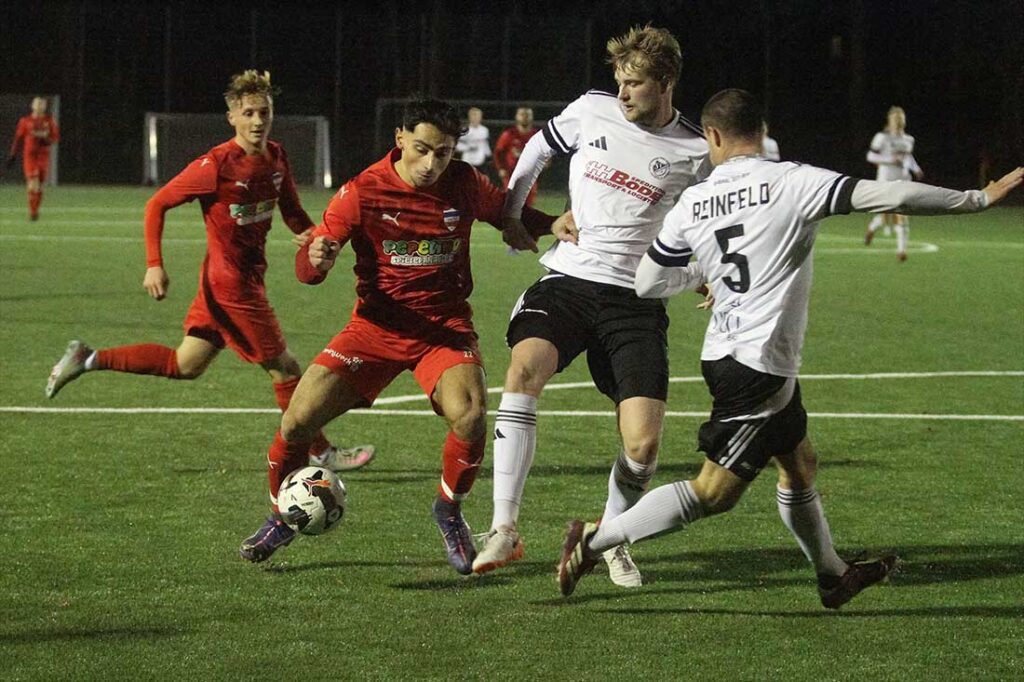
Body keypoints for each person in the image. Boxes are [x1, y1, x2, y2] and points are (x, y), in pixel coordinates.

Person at [557, 88, 1023, 606]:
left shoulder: (695, 200)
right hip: (757, 364)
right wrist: (976, 198)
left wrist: (701, 274)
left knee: (799, 465)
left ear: (712, 135)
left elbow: (647, 283)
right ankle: (595, 541)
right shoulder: (794, 181)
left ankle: (832, 574)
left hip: (729, 353)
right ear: (761, 131)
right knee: (712, 493)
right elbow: (890, 195)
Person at [237, 97, 559, 573]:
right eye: (422, 149)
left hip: (443, 327)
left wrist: (552, 223)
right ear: (400, 139)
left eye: (443, 153)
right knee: (296, 423)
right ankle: (281, 518)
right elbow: (307, 270)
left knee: (470, 415)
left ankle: (448, 511)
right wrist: (316, 260)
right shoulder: (362, 191)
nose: (431, 164)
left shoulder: (464, 183)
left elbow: (510, 214)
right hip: (375, 329)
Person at [472, 25, 710, 588]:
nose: (623, 93)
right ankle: (504, 527)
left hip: (637, 302)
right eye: (619, 81)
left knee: (643, 447)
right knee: (524, 370)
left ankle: (609, 535)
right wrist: (513, 213)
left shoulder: (696, 150)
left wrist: (710, 272)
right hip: (570, 281)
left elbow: (711, 221)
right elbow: (536, 150)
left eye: (636, 83)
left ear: (666, 83)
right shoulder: (591, 110)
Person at [44, 70, 374, 473]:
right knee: (285, 368)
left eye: (264, 112)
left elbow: (292, 213)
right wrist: (154, 265)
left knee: (186, 364)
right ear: (232, 117)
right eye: (248, 113)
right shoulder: (214, 165)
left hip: (240, 281)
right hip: (230, 286)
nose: (257, 120)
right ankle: (320, 452)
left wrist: (317, 237)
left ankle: (87, 357)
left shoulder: (276, 157)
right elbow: (156, 205)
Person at [864, 106, 923, 261]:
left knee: (901, 213)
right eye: (896, 119)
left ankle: (901, 251)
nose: (898, 122)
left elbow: (908, 158)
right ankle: (872, 227)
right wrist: (890, 160)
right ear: (890, 121)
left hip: (903, 180)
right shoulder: (882, 137)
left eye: (901, 119)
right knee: (885, 216)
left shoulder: (909, 139)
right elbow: (870, 156)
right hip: (885, 180)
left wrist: (916, 168)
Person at [7, 96, 60, 221]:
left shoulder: (49, 121)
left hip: (43, 156)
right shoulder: (25, 121)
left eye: (42, 104)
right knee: (32, 183)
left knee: (40, 185)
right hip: (30, 156)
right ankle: (33, 212)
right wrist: (13, 155)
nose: (40, 106)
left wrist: (46, 139)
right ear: (32, 105)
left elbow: (55, 138)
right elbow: (18, 139)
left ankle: (35, 211)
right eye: (37, 103)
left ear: (45, 106)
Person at [493, 107, 540, 207]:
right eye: (522, 114)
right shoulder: (509, 134)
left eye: (527, 115)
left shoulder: (536, 135)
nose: (525, 117)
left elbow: (544, 151)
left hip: (529, 173)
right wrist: (501, 168)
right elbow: (498, 152)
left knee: (529, 201)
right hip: (511, 173)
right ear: (516, 117)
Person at [455, 106, 492, 180]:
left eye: (478, 116)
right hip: (468, 160)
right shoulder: (465, 130)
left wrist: (489, 154)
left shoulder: (484, 130)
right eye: (474, 116)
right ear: (469, 117)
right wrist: (468, 147)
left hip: (481, 161)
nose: (476, 118)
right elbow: (457, 145)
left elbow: (485, 144)